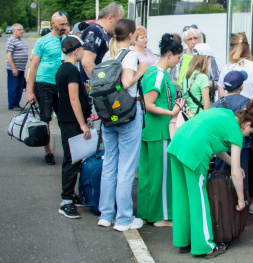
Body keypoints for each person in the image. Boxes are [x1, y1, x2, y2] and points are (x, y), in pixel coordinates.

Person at [167, 103, 253, 258]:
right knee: (199, 198)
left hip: (178, 142)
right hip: (194, 152)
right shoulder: (236, 132)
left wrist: (235, 165)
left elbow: (215, 145)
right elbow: (236, 175)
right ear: (246, 125)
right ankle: (205, 246)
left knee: (182, 197)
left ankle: (184, 241)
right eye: (249, 132)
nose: (246, 136)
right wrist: (241, 200)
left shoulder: (225, 113)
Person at [97, 19, 148, 232]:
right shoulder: (130, 55)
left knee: (110, 164)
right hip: (128, 114)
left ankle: (106, 214)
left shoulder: (107, 55)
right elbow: (127, 83)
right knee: (126, 168)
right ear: (130, 36)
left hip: (108, 115)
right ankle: (124, 218)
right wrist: (141, 71)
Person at [137, 34, 185, 227]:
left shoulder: (151, 72)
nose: (178, 62)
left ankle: (147, 212)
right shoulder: (158, 74)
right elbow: (149, 104)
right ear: (170, 55)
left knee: (148, 174)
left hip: (151, 130)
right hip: (161, 131)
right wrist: (173, 110)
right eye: (178, 58)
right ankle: (160, 217)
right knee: (162, 175)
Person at [212, 70, 253, 213]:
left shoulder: (218, 102)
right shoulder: (246, 102)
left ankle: (222, 207)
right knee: (240, 176)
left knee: (221, 176)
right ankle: (240, 208)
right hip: (241, 147)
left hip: (220, 147)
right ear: (241, 86)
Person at [55, 35, 92, 219]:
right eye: (83, 49)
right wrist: (83, 124)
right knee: (72, 160)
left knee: (71, 159)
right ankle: (66, 201)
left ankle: (70, 195)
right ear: (76, 50)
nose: (84, 52)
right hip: (72, 122)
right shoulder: (72, 71)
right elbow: (73, 98)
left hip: (66, 120)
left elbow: (63, 97)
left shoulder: (62, 69)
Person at [27, 12, 68, 165]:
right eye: (61, 24)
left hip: (61, 84)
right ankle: (48, 152)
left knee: (65, 119)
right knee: (46, 119)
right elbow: (34, 66)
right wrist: (30, 91)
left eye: (65, 24)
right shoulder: (42, 42)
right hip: (44, 82)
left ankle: (69, 153)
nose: (64, 27)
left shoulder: (68, 41)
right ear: (53, 23)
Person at [80, 2, 124, 82]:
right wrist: (102, 83)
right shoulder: (95, 31)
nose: (119, 26)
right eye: (119, 21)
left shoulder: (102, 32)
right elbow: (87, 62)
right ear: (110, 18)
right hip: (94, 89)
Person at [217, 32, 253, 99]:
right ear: (247, 47)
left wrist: (227, 108)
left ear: (231, 47)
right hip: (249, 108)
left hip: (229, 108)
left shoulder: (226, 68)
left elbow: (221, 97)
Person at [181, 47, 211, 118]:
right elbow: (206, 108)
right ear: (206, 58)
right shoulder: (202, 77)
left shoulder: (186, 74)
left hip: (187, 116)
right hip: (199, 118)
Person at [5, 23, 29, 111]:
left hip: (21, 68)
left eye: (22, 30)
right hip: (14, 68)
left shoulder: (20, 40)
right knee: (13, 87)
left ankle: (17, 104)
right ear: (14, 30)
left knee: (20, 87)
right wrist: (13, 68)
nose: (21, 31)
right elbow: (8, 54)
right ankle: (12, 104)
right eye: (19, 30)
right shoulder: (11, 40)